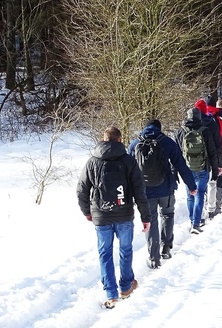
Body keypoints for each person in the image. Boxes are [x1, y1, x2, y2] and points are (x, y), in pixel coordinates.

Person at [77, 126, 150, 309]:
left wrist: (87, 211)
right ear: (120, 140)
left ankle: (111, 294)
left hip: (101, 215)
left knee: (105, 254)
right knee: (125, 250)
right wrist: (145, 216)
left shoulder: (92, 162)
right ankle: (126, 287)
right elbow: (139, 191)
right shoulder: (128, 161)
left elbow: (81, 190)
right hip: (124, 214)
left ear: (103, 139)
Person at [127, 119, 197, 269]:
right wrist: (191, 185)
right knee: (167, 215)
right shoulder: (167, 142)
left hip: (145, 192)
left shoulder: (134, 144)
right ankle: (166, 248)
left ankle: (154, 257)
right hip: (166, 189)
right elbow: (181, 164)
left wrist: (130, 191)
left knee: (150, 220)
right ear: (159, 128)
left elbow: (128, 170)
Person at [174, 108, 221, 233]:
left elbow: (176, 154)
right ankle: (196, 222)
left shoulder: (180, 132)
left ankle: (192, 220)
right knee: (200, 194)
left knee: (190, 195)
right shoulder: (205, 131)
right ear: (199, 117)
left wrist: (175, 171)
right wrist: (215, 170)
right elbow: (212, 152)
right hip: (202, 167)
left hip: (186, 169)